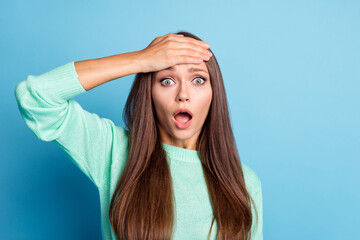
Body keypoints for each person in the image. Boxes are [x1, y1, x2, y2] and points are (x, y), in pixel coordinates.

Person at [15, 31, 263, 240]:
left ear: (213, 93)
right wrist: (142, 60)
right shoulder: (114, 151)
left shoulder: (243, 182)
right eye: (167, 81)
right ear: (150, 94)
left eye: (198, 79)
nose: (183, 94)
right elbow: (36, 96)